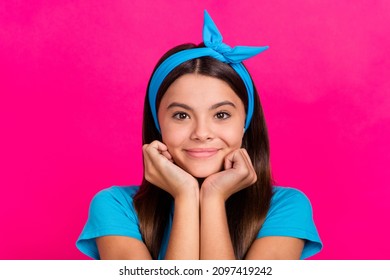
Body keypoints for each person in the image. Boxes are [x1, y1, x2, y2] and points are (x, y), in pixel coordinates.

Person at [76, 10, 322, 260]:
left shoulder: (286, 207)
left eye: (221, 115)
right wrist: (185, 196)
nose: (201, 133)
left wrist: (213, 199)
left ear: (245, 123)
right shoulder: (115, 206)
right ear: (158, 124)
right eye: (182, 115)